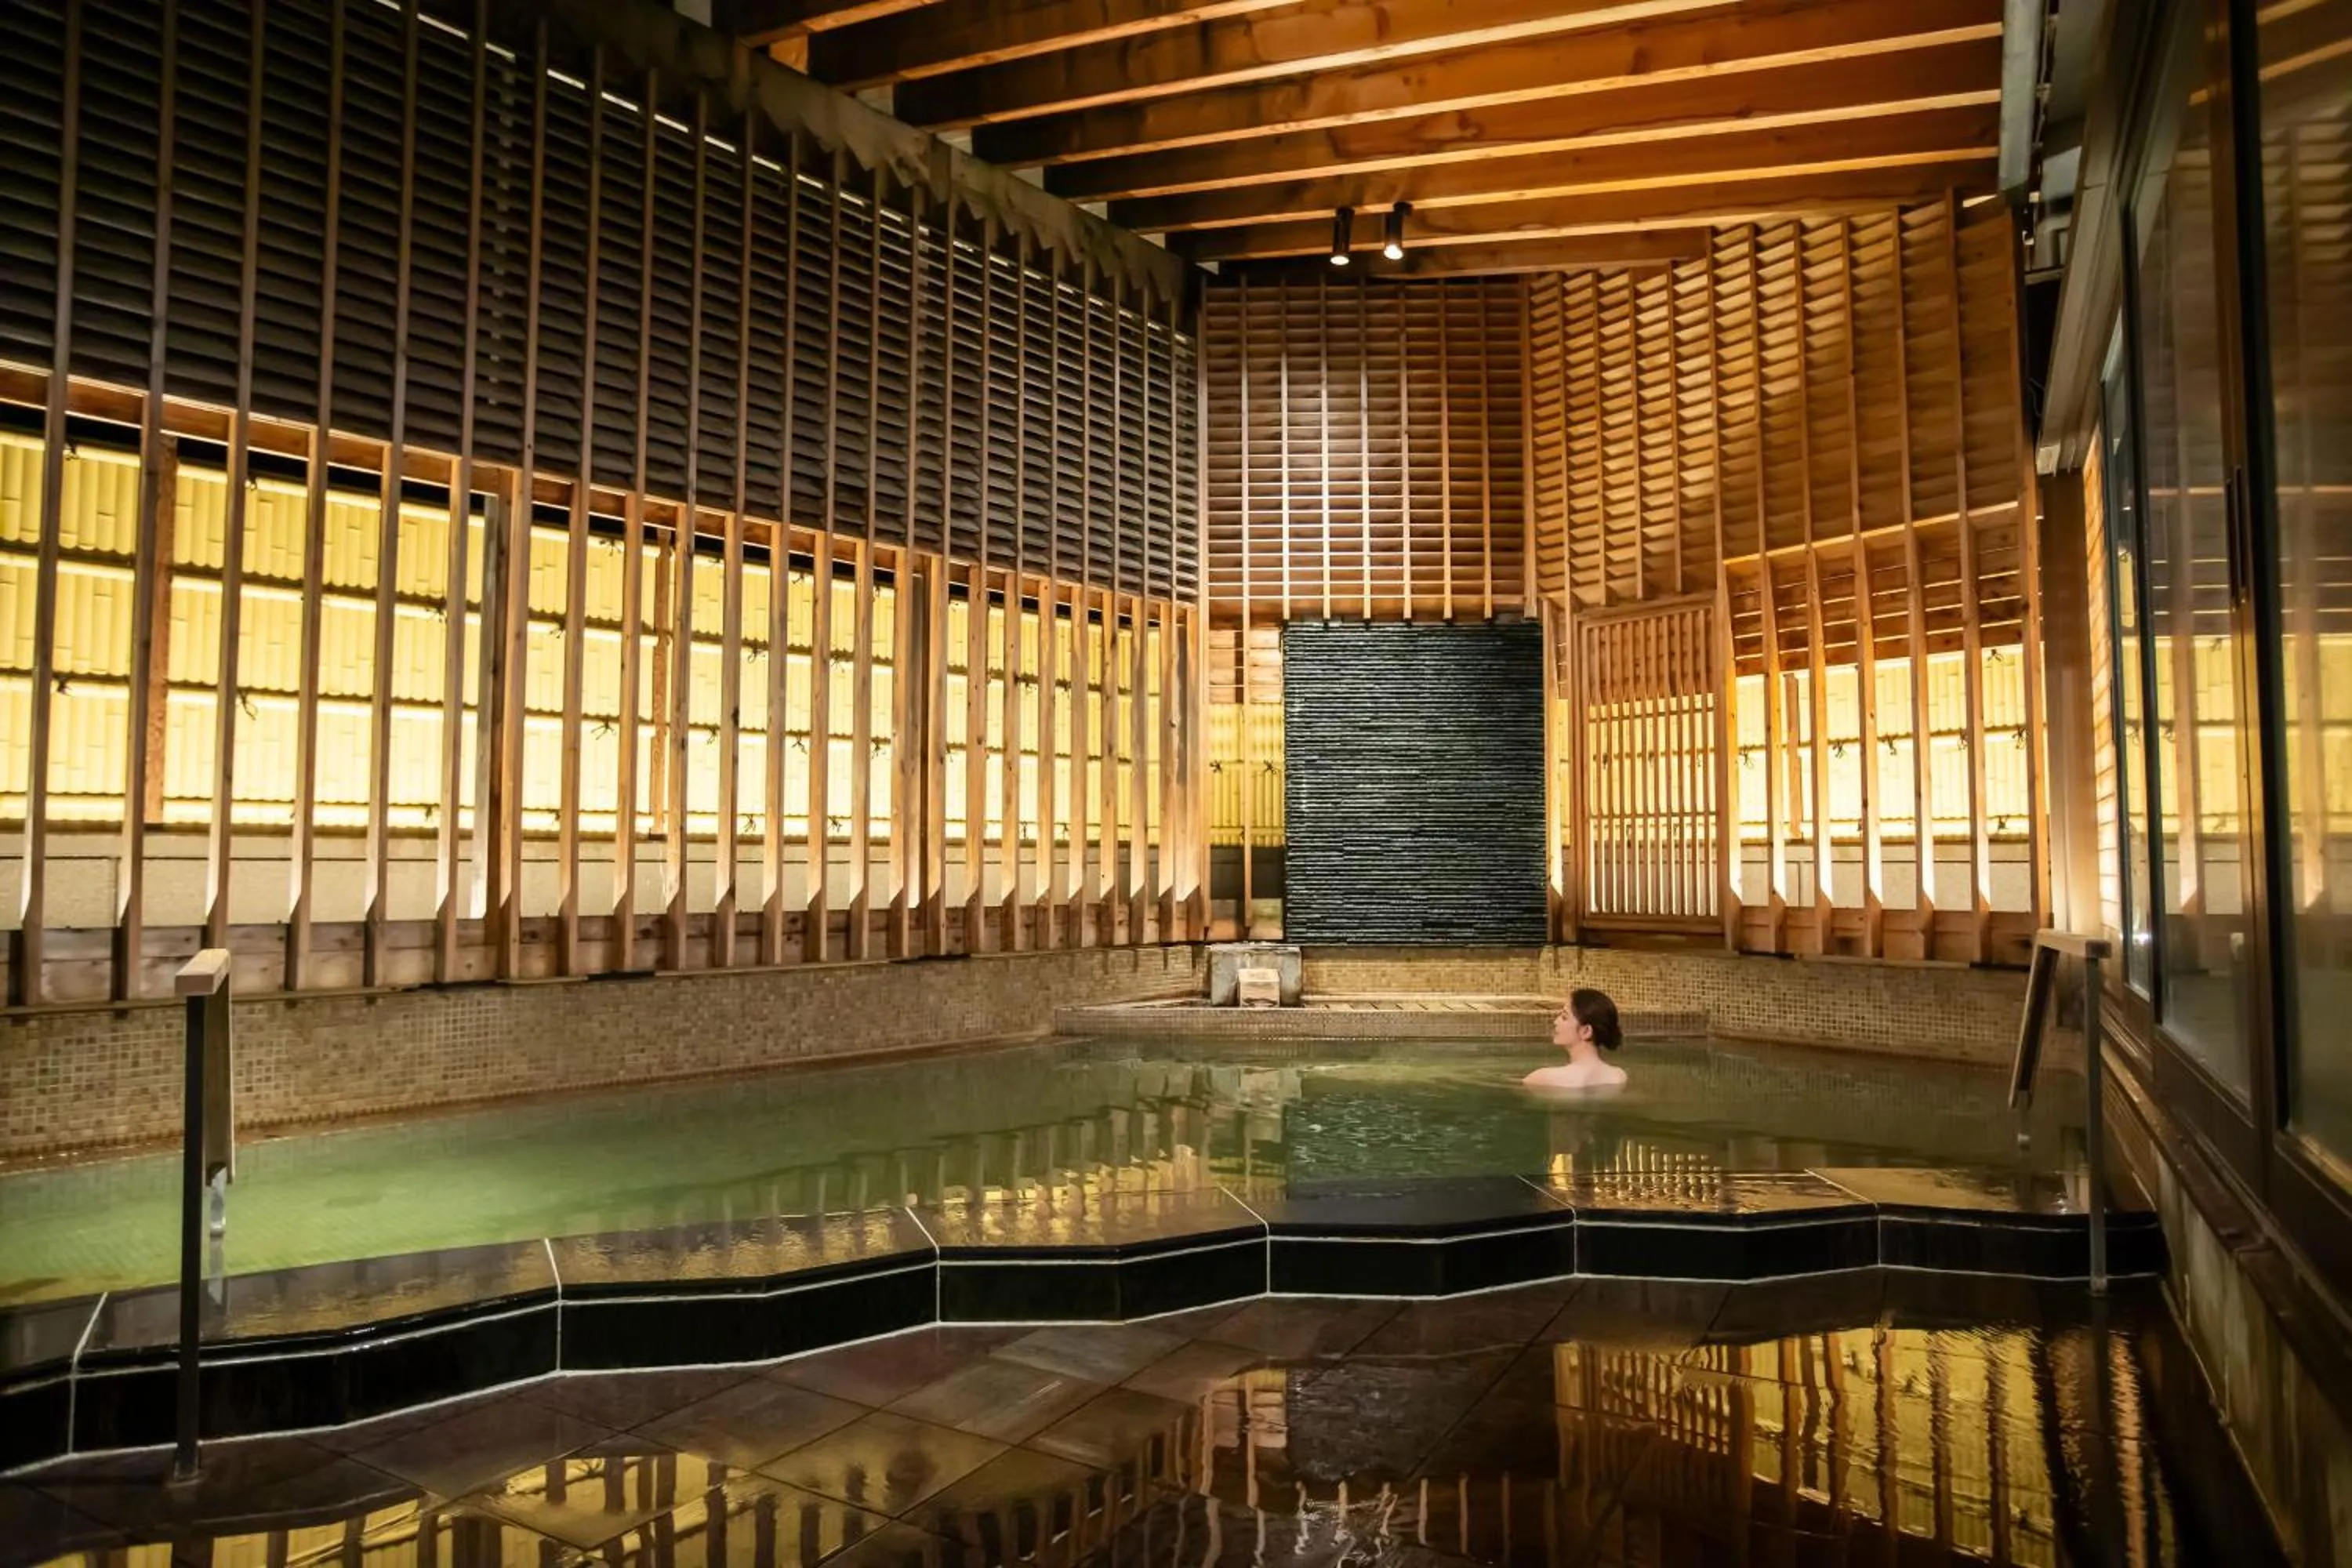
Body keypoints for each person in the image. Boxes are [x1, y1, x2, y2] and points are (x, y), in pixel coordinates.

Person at [1522, 988, 1627, 1091]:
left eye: (1564, 1017)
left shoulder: (1543, 1078)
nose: (1556, 1022)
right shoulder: (1619, 1077)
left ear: (1586, 1031)